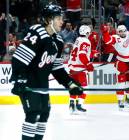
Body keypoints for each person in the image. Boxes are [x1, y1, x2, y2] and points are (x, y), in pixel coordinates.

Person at [9, 3, 83, 140]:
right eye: (59, 18)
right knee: (34, 113)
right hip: (28, 83)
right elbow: (19, 58)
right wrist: (19, 78)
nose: (62, 21)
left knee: (44, 113)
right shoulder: (38, 32)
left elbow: (57, 68)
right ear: (49, 20)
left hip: (42, 84)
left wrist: (70, 84)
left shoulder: (58, 41)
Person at [102, 24, 129, 110]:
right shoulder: (116, 38)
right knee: (121, 82)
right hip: (121, 61)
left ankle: (128, 99)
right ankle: (120, 100)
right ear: (118, 32)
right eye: (121, 31)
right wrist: (105, 32)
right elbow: (107, 40)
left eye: (124, 30)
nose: (123, 32)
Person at [68, 25, 94, 113]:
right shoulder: (86, 41)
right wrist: (88, 64)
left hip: (72, 67)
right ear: (86, 33)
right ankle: (79, 104)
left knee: (74, 87)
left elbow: (79, 51)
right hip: (80, 69)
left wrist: (92, 53)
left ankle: (71, 104)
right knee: (84, 87)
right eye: (88, 32)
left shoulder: (78, 39)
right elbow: (82, 55)